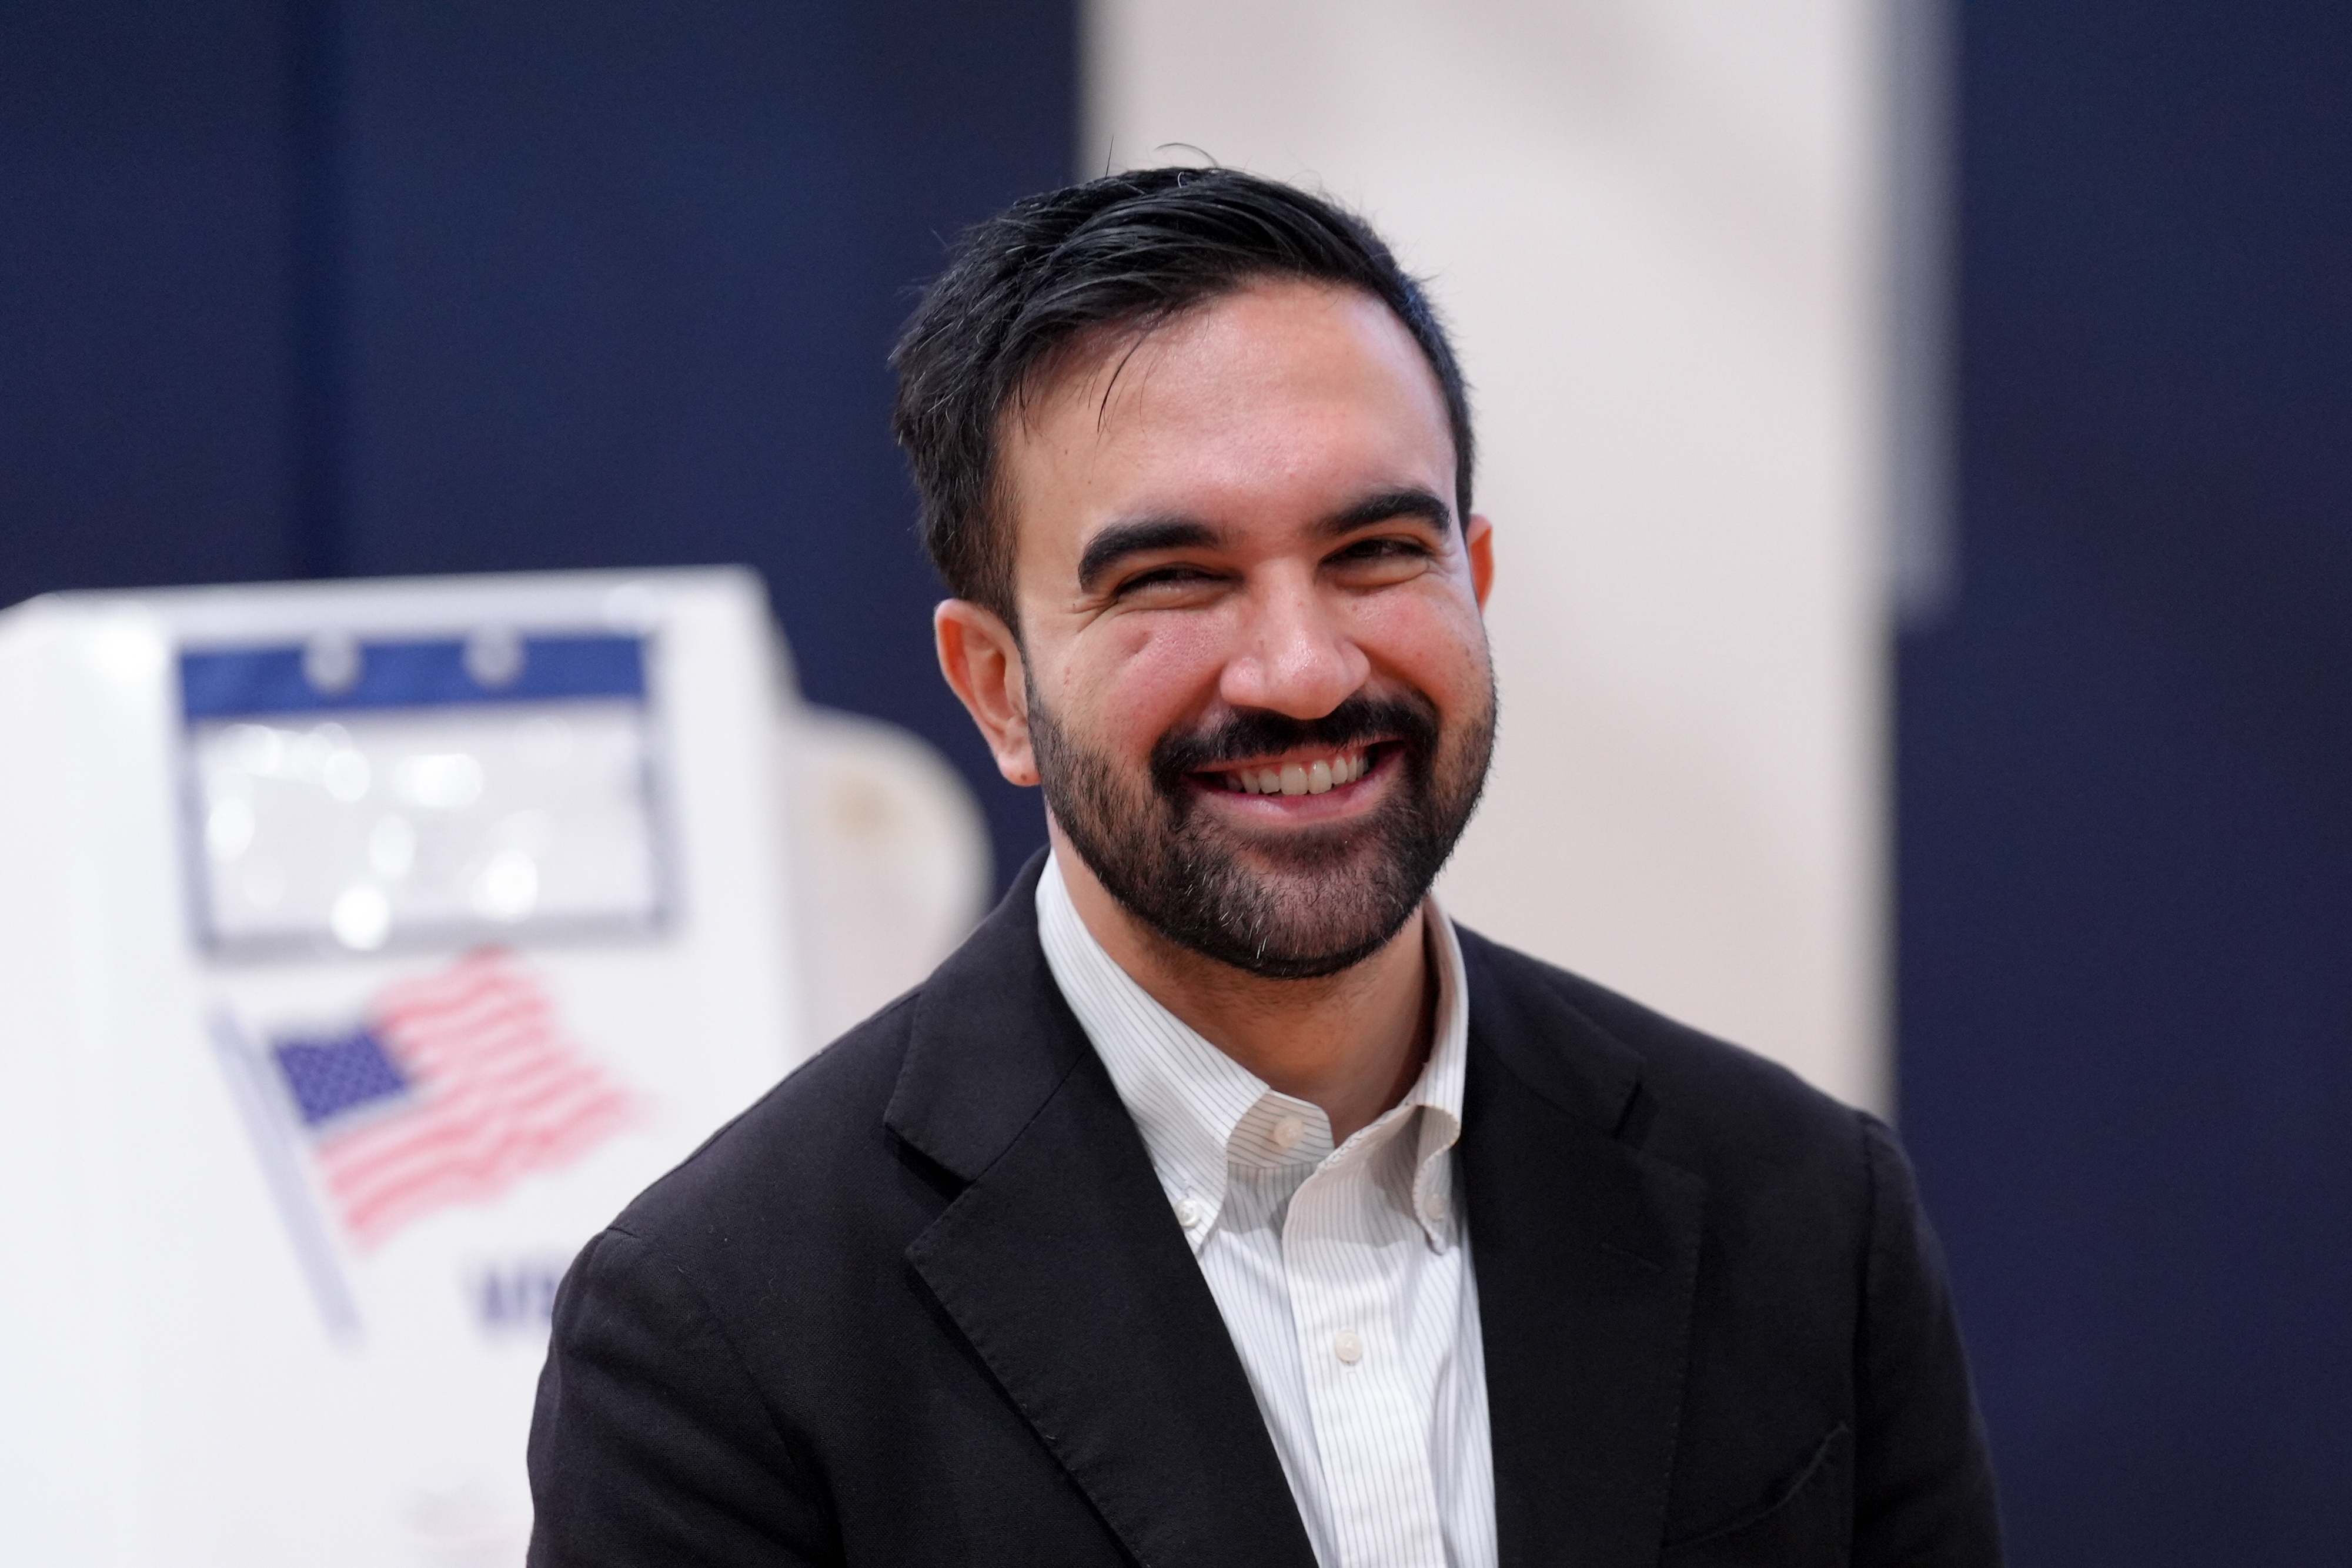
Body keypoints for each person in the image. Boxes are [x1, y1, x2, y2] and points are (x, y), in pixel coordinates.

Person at [525, 166, 2002, 1567]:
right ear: (996, 688)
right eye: (1172, 578)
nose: (1302, 669)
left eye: (1376, 551)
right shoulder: (720, 1331)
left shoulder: (1805, 1210)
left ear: (1473, 582)